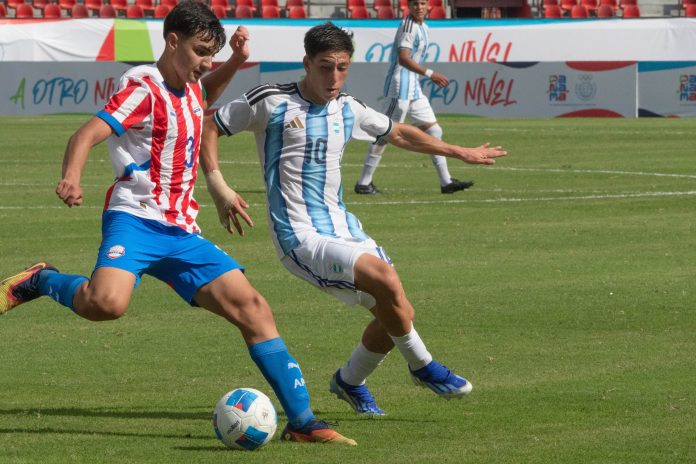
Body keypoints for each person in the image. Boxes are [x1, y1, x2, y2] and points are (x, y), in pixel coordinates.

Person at [0, 2, 354, 446]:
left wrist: (234, 62)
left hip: (183, 231)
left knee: (254, 309)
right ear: (172, 41)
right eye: (201, 52)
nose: (206, 63)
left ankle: (303, 422)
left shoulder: (189, 87)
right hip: (135, 220)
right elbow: (85, 134)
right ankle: (42, 280)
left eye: (211, 55)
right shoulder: (143, 89)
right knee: (105, 304)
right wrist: (71, 177)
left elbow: (203, 97)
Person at [200, 22, 506, 416]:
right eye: (325, 67)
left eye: (342, 68)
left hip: (344, 228)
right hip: (299, 235)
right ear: (307, 64)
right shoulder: (271, 100)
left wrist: (459, 151)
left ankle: (350, 380)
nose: (334, 78)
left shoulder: (348, 107)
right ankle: (422, 366)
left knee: (397, 313)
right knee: (386, 280)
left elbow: (399, 133)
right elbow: (210, 125)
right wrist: (219, 186)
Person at [354, 0, 474, 195]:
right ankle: (363, 183)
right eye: (415, 4)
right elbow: (403, 58)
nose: (419, 7)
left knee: (434, 130)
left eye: (423, 3)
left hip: (413, 86)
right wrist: (430, 74)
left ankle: (446, 182)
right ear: (408, 7)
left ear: (428, 6)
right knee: (385, 133)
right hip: (399, 86)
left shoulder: (424, 27)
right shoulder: (408, 26)